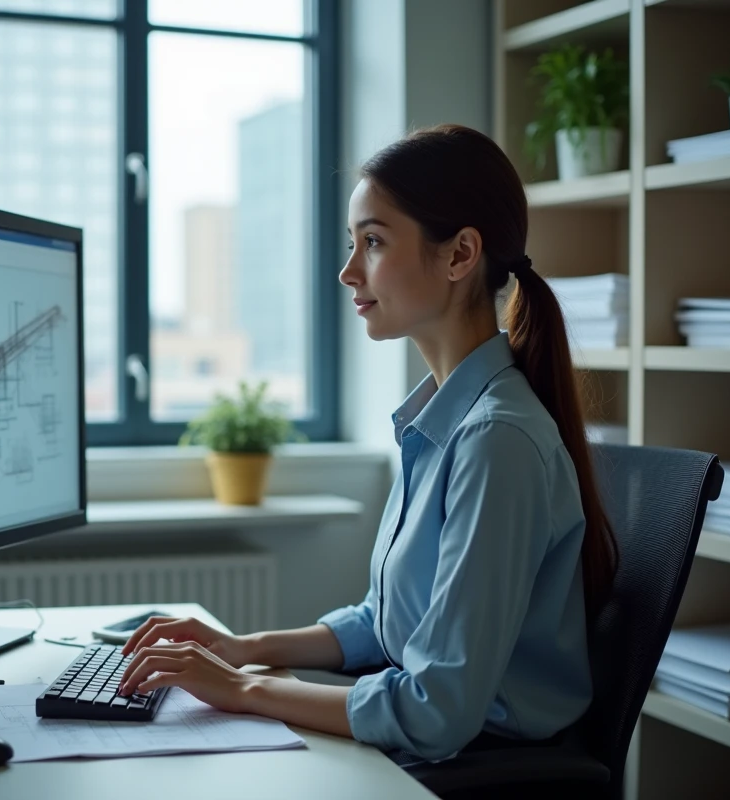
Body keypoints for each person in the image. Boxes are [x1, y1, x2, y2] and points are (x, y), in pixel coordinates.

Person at [116, 124, 619, 763]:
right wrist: (245, 647)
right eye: (353, 243)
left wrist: (242, 689)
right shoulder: (440, 420)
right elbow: (384, 622)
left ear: (461, 254)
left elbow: (435, 712)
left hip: (478, 765)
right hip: (439, 744)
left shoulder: (497, 440)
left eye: (374, 242)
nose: (348, 271)